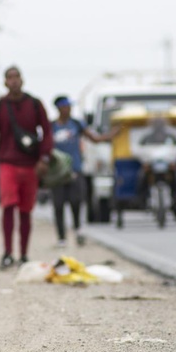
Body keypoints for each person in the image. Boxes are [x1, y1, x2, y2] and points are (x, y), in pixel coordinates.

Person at [0, 66, 53, 270]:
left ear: (22, 80)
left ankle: (23, 254)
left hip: (31, 165)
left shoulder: (35, 104)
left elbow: (47, 133)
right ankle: (7, 253)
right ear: (5, 82)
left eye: (17, 77)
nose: (14, 81)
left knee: (25, 210)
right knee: (8, 206)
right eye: (10, 78)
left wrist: (44, 159)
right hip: (7, 164)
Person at [50, 95, 115, 247]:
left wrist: (111, 135)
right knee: (58, 205)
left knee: (76, 202)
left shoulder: (77, 124)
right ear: (60, 108)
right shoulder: (51, 126)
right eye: (67, 106)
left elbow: (94, 138)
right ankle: (61, 238)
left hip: (75, 170)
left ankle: (78, 230)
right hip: (57, 173)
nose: (69, 109)